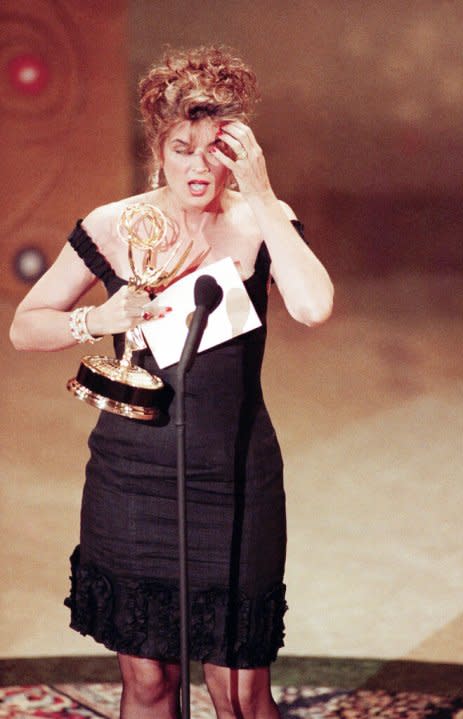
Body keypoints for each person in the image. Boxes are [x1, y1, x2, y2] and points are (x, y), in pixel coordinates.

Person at [10, 46, 334, 719]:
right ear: (158, 147)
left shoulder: (257, 221)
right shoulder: (115, 224)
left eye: (214, 148)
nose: (197, 165)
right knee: (150, 681)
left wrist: (266, 193)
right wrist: (95, 317)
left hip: (236, 476)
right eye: (182, 147)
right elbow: (24, 326)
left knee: (239, 691)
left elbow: (312, 305)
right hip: (132, 479)